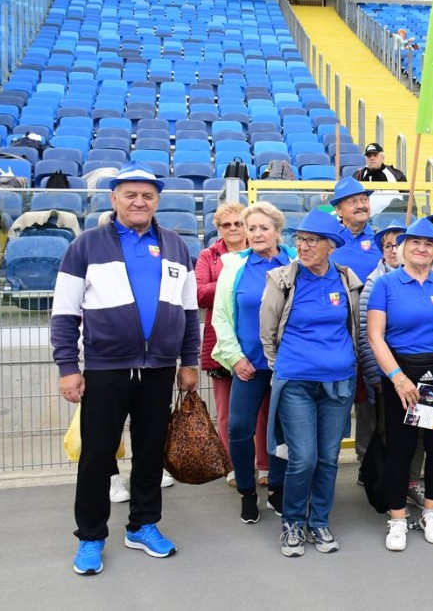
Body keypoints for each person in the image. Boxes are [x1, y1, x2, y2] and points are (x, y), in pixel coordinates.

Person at [52, 161, 199, 576]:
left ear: (157, 201)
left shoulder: (175, 245)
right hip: (105, 369)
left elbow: (189, 312)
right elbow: (64, 312)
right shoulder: (86, 245)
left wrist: (189, 361)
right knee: (97, 455)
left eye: (147, 195)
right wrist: (68, 366)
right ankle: (91, 536)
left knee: (150, 451)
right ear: (114, 198)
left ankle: (142, 525)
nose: (139, 201)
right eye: (130, 194)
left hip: (159, 369)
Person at [259, 210, 362, 557]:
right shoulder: (282, 280)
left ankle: (319, 521)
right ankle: (292, 522)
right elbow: (267, 332)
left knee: (329, 458)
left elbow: (354, 325)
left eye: (312, 240)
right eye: (300, 239)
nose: (303, 246)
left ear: (331, 246)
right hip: (296, 382)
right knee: (303, 458)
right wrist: (283, 367)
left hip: (339, 382)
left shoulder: (346, 279)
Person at [367, 218, 433, 551]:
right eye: (415, 243)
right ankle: (397, 517)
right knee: (401, 448)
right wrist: (398, 379)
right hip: (400, 374)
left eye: (429, 244)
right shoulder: (385, 284)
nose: (422, 248)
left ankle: (431, 512)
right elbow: (375, 336)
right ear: (402, 248)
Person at [212, 201, 294, 524]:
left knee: (284, 429)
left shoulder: (295, 263)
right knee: (239, 428)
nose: (256, 234)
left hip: (287, 366)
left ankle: (278, 488)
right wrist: (235, 358)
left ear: (277, 231)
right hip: (248, 366)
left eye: (263, 228)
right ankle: (247, 492)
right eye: (252, 228)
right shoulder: (234, 267)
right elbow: (221, 316)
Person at [195, 201, 262, 489]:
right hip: (220, 342)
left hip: (256, 342)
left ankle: (264, 464)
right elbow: (199, 294)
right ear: (218, 229)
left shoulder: (260, 252)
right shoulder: (208, 256)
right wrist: (231, 280)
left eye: (238, 223)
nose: (233, 229)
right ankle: (233, 466)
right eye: (226, 225)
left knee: (262, 409)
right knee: (226, 411)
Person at [357, 224, 406, 460]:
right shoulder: (374, 283)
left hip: (414, 368)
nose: (394, 250)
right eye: (388, 246)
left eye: (399, 245)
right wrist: (374, 375)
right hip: (384, 373)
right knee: (382, 430)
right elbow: (365, 334)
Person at [328, 177, 380, 282]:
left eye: (364, 200)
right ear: (339, 210)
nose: (360, 206)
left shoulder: (381, 239)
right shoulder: (327, 240)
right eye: (352, 202)